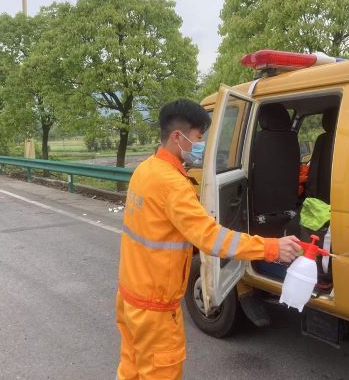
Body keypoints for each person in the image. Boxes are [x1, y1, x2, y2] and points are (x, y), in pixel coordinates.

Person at [116, 99, 302, 379]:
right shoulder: (172, 185)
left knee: (131, 367)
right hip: (155, 308)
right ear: (177, 137)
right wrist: (271, 247)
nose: (202, 143)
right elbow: (212, 239)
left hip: (130, 297)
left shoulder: (146, 170)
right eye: (199, 136)